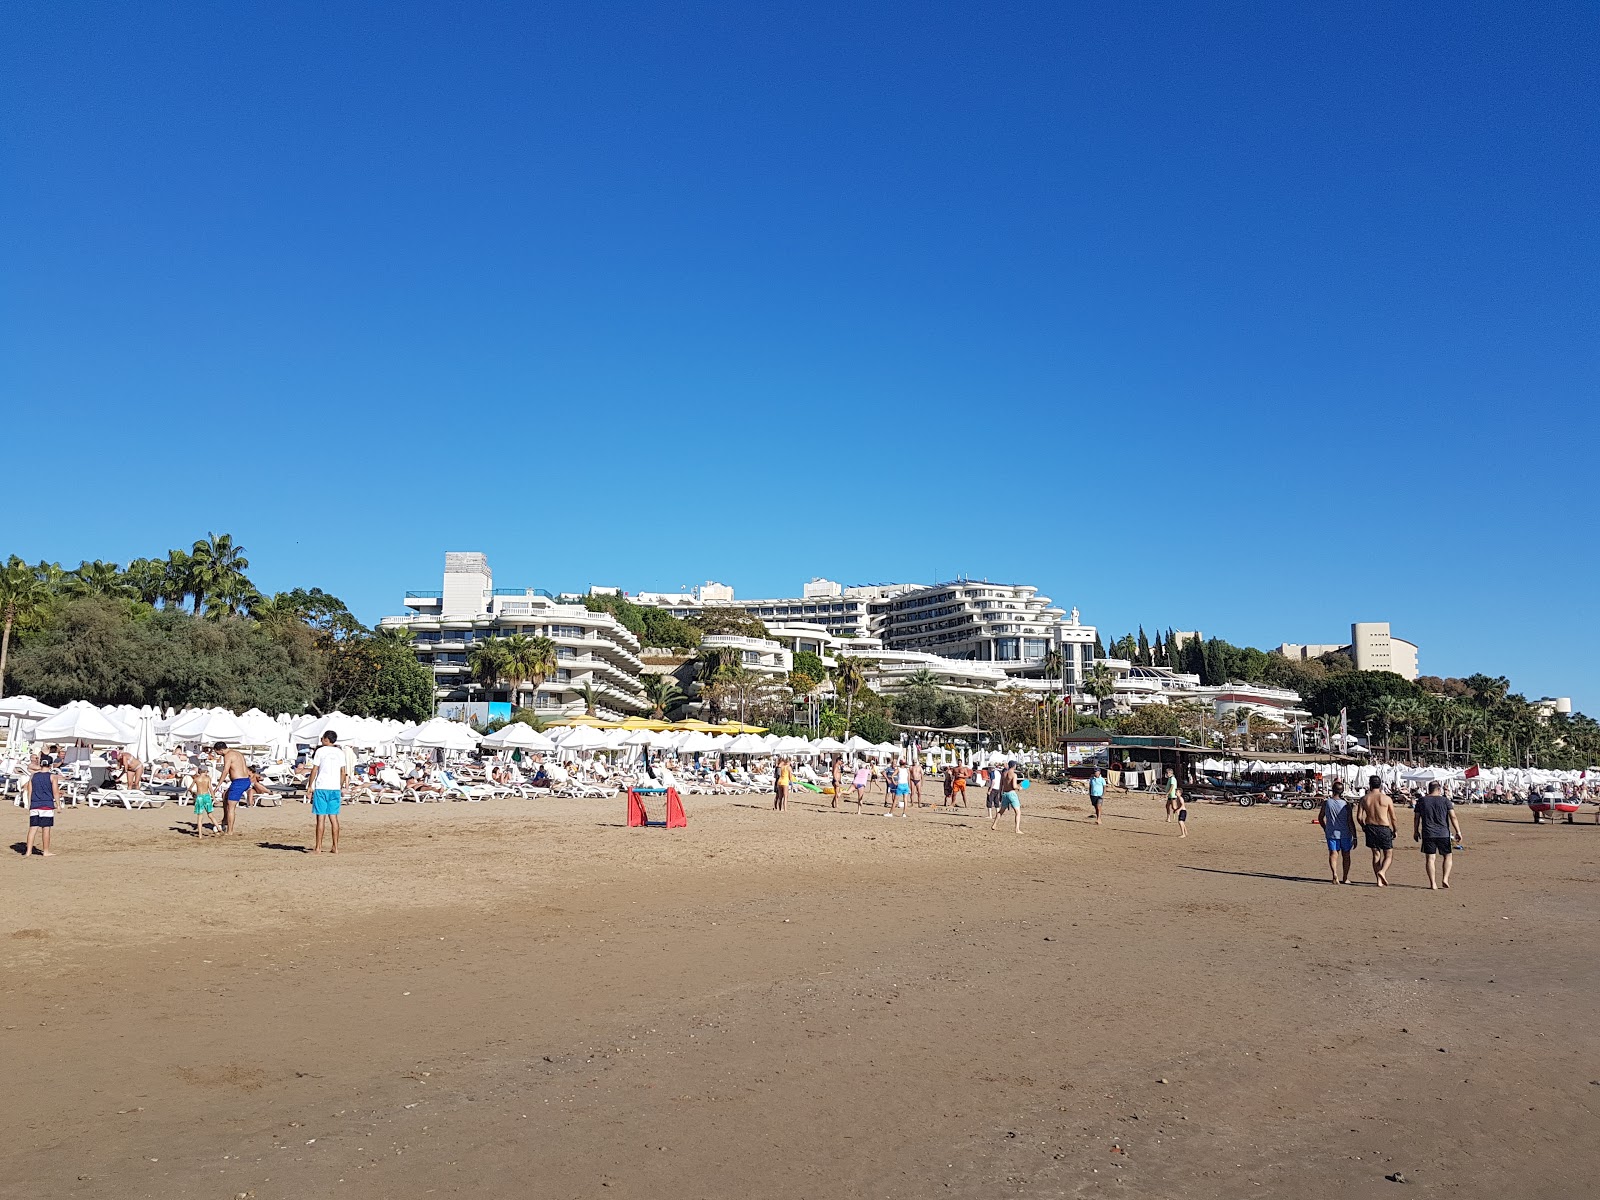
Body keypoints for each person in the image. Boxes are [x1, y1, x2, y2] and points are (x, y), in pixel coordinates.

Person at [1414, 782, 1462, 890]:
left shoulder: (1422, 801)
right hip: (1443, 833)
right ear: (1439, 789)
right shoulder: (1445, 800)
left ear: (1429, 789)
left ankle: (1433, 883)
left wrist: (1416, 831)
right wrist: (1458, 831)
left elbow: (1416, 818)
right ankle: (1445, 878)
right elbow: (1453, 817)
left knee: (1430, 858)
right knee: (1447, 856)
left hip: (1428, 833)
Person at [306, 730, 348, 854]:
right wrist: (339, 786)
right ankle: (335, 846)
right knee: (333, 818)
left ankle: (318, 847)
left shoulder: (320, 751)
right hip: (334, 788)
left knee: (321, 818)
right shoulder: (340, 752)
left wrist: (310, 785)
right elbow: (343, 772)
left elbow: (314, 770)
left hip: (322, 787)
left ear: (326, 739)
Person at [1354, 775, 1397, 887]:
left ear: (1370, 784)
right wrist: (1395, 829)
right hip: (1383, 827)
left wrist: (1363, 826)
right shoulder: (1386, 799)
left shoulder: (1364, 799)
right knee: (1388, 854)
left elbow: (1359, 817)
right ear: (1380, 784)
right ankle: (1382, 871)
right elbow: (1393, 817)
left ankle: (1378, 880)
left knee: (1376, 854)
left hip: (1370, 827)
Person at [1317, 779, 1355, 883]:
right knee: (1346, 855)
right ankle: (1345, 877)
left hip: (1331, 833)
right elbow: (1350, 821)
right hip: (1345, 833)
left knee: (1333, 854)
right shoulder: (1346, 805)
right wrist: (1354, 835)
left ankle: (1334, 874)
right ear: (1342, 791)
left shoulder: (1326, 803)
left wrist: (1325, 828)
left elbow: (1320, 818)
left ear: (1332, 790)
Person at [24, 754, 61, 858]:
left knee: (32, 828)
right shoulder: (52, 776)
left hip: (35, 804)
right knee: (46, 829)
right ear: (50, 765)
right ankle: (46, 851)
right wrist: (58, 805)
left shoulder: (33, 776)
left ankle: (28, 852)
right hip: (47, 805)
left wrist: (30, 804)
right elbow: (55, 792)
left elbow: (29, 791)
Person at [215, 741, 251, 836]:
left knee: (231, 807)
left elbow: (225, 770)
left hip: (239, 782)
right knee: (225, 796)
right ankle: (225, 819)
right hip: (245, 780)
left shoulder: (228, 755)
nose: (217, 754)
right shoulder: (237, 753)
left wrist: (218, 785)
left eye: (217, 752)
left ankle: (230, 831)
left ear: (221, 750)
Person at [990, 760, 1022, 833]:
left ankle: (994, 825)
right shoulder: (1014, 775)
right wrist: (1019, 787)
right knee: (1018, 812)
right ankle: (1017, 829)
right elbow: (1014, 786)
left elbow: (1001, 785)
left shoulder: (1003, 773)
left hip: (1004, 794)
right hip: (1011, 794)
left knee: (1001, 811)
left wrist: (1000, 794)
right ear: (1014, 766)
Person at [189, 764, 221, 838]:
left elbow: (190, 788)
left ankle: (200, 835)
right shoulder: (207, 779)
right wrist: (214, 798)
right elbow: (210, 789)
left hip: (199, 797)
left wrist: (193, 793)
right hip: (207, 796)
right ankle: (219, 828)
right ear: (206, 771)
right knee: (210, 815)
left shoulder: (196, 779)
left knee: (200, 816)